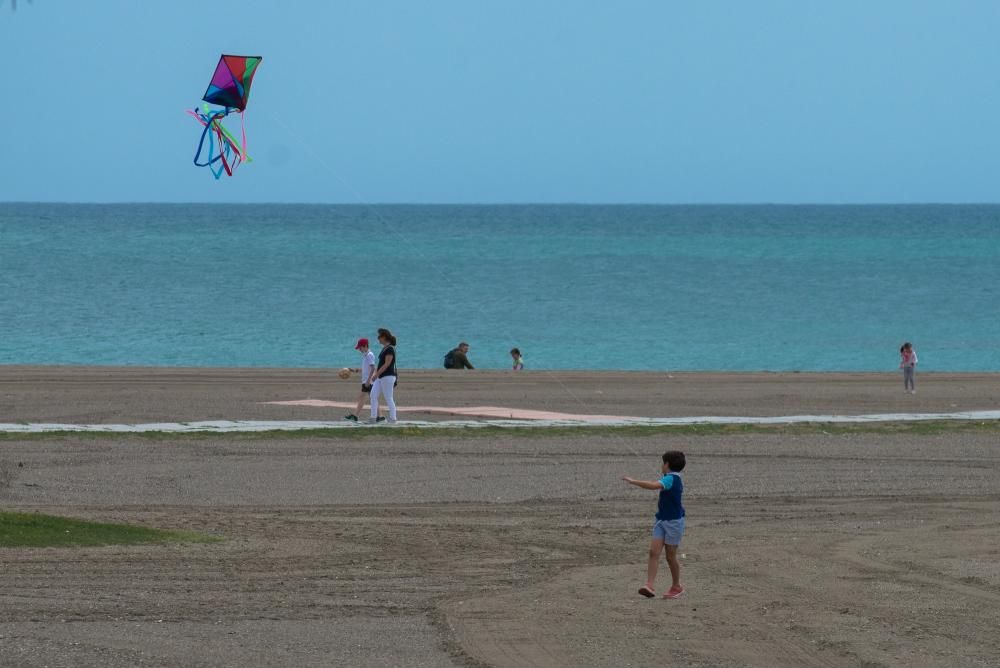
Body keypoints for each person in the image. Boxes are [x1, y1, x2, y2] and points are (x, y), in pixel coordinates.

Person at [622, 450, 686, 599]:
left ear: (667, 464)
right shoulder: (669, 477)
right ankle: (649, 585)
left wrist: (633, 481)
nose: (661, 465)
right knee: (653, 552)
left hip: (674, 523)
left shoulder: (672, 479)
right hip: (661, 521)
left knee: (670, 557)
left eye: (663, 463)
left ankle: (676, 586)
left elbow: (652, 485)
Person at [368, 328, 398, 424]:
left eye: (379, 337)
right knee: (373, 395)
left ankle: (393, 419)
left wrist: (376, 374)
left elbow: (387, 364)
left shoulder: (390, 349)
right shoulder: (384, 348)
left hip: (388, 376)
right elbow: (381, 363)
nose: (378, 339)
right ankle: (373, 417)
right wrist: (375, 374)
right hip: (381, 376)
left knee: (388, 397)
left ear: (384, 337)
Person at [344, 338, 376, 422]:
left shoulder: (369, 355)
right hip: (366, 381)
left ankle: (355, 416)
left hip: (368, 381)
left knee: (363, 397)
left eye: (360, 348)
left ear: (365, 346)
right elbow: (366, 369)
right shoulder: (366, 355)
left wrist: (369, 380)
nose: (359, 350)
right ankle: (381, 416)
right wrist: (355, 370)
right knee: (372, 398)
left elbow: (373, 368)